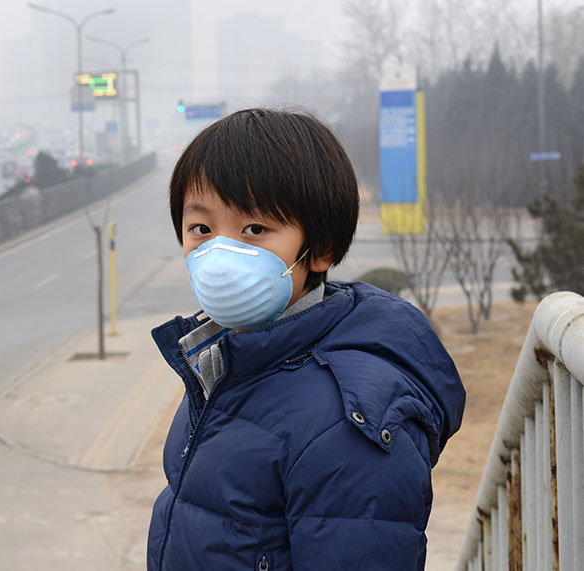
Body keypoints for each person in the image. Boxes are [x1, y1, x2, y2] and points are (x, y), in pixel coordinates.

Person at [146, 108, 465, 570]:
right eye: (201, 229)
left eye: (254, 229)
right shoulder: (226, 363)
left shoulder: (347, 423)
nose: (218, 253)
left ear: (321, 249)